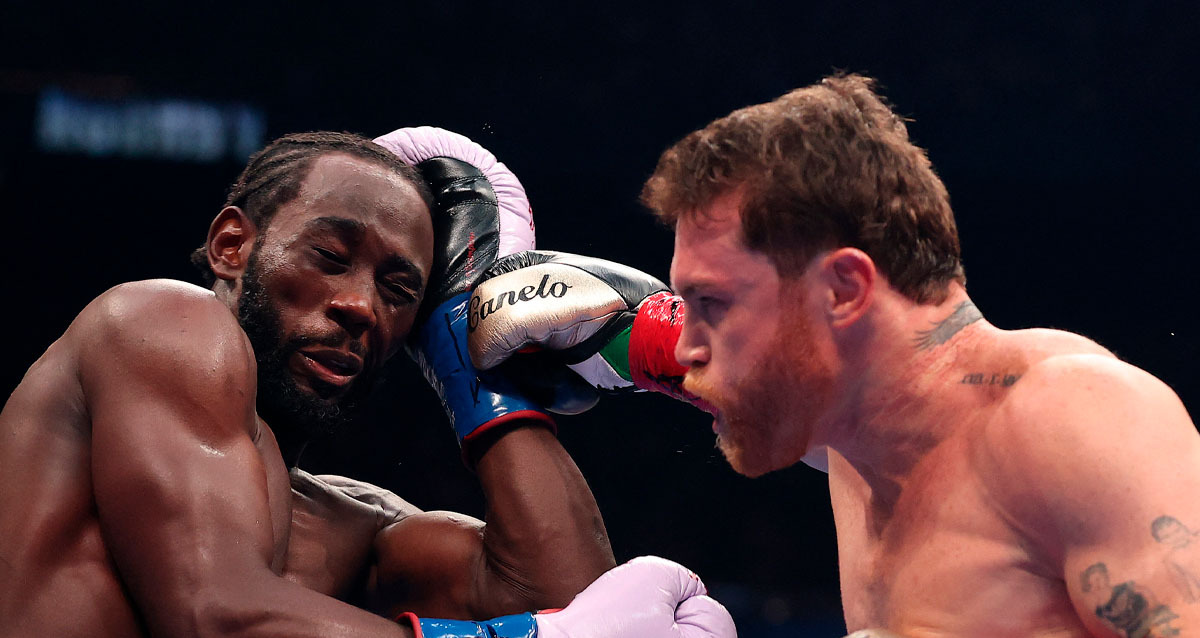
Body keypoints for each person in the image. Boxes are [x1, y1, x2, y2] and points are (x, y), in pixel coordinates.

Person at [465, 74, 1200, 637]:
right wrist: (636, 340)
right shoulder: (861, 444)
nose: (689, 343)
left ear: (845, 288)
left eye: (713, 306)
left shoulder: (1077, 422)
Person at [0, 127, 733, 638]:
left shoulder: (349, 523)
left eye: (399, 290)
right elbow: (211, 616)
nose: (360, 306)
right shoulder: (157, 319)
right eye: (329, 255)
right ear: (232, 246)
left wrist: (468, 349)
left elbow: (569, 606)